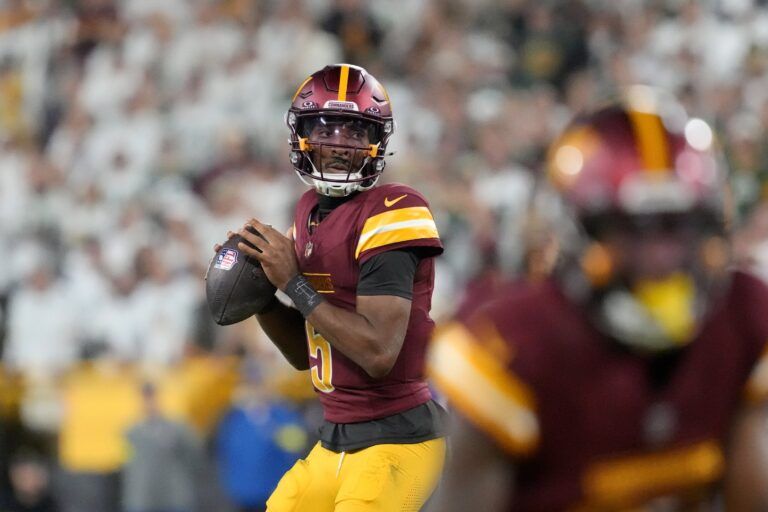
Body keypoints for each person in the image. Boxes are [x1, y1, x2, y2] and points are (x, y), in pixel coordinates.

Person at [428, 87, 768, 511]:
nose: (662, 260)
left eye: (679, 228)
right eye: (634, 232)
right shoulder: (516, 346)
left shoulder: (742, 318)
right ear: (579, 232)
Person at [218, 64, 446, 512]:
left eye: (355, 131)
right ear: (301, 136)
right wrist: (262, 297)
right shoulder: (306, 212)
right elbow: (306, 356)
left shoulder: (394, 209)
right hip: (334, 440)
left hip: (398, 441)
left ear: (377, 141)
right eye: (325, 129)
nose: (340, 144)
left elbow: (378, 353)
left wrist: (293, 282)